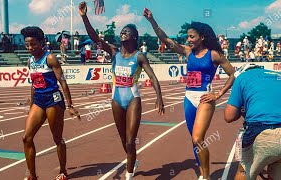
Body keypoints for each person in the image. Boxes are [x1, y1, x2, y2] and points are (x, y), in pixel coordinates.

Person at [144, 8, 235, 180]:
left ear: (202, 37)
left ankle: (206, 177)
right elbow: (164, 38)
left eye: (192, 37)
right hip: (188, 98)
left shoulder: (214, 54)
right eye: (188, 37)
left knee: (197, 138)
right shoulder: (187, 52)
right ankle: (203, 172)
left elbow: (232, 74)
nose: (188, 40)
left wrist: (219, 94)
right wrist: (151, 20)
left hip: (204, 99)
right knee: (194, 140)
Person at [79, 2, 165, 180]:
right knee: (123, 141)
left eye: (126, 32)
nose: (122, 33)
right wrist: (84, 17)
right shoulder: (114, 52)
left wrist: (159, 98)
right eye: (122, 31)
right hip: (116, 99)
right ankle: (133, 159)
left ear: (134, 37)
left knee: (129, 140)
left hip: (133, 98)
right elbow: (95, 38)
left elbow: (153, 77)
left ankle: (129, 172)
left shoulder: (139, 57)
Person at [20, 26, 81, 180]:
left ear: (41, 42)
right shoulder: (30, 61)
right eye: (27, 45)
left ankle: (62, 170)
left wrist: (70, 105)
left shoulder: (50, 58)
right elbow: (33, 85)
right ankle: (32, 176)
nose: (30, 48)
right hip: (39, 101)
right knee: (26, 137)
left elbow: (62, 81)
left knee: (57, 138)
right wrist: (31, 105)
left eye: (33, 44)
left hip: (53, 100)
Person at [224, 64, 281, 180]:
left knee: (243, 170)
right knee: (277, 172)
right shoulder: (278, 75)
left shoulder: (242, 77)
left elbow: (229, 116)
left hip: (261, 130)